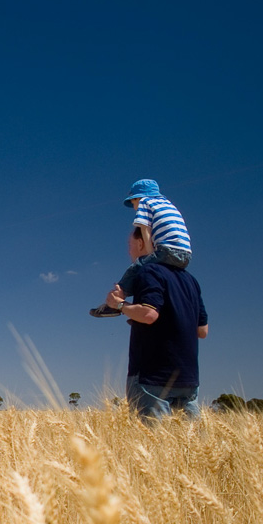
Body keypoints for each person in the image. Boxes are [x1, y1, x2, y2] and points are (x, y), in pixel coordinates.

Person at [104, 226, 208, 419]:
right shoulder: (191, 280)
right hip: (188, 378)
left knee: (153, 438)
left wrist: (118, 304)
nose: (128, 251)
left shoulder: (148, 271)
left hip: (153, 376)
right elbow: (202, 331)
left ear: (141, 243)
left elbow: (149, 314)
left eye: (129, 245)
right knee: (191, 438)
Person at [91, 178, 192, 317]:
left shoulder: (145, 202)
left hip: (166, 250)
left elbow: (145, 229)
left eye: (133, 202)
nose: (134, 207)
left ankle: (114, 303)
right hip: (185, 254)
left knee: (137, 268)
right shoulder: (168, 204)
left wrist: (150, 255)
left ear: (137, 198)